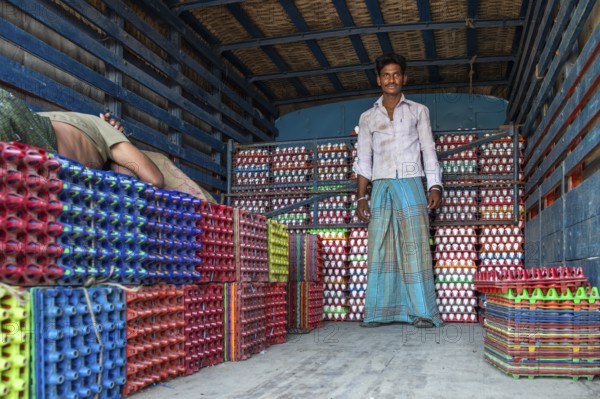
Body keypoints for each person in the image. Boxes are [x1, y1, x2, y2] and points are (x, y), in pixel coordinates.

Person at [353, 53, 443, 328]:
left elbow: (428, 149)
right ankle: (380, 312)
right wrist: (361, 196)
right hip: (380, 186)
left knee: (414, 247)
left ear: (404, 78)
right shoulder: (367, 117)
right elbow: (364, 158)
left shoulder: (418, 111)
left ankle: (423, 313)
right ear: (378, 80)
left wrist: (435, 185)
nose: (391, 79)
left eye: (396, 74)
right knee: (380, 247)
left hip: (411, 182)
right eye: (386, 75)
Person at [0, 87, 164, 188]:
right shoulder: (106, 129)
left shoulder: (60, 119)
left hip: (18, 119)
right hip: (28, 133)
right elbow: (155, 180)